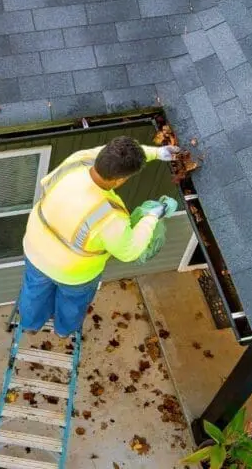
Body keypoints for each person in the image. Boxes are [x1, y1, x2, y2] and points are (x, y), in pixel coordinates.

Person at [17, 136, 180, 337]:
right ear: (120, 180)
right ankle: (63, 330)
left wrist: (156, 152)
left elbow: (112, 154)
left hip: (36, 250)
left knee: (34, 292)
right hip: (74, 274)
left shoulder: (78, 160)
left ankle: (30, 324)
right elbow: (129, 251)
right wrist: (151, 216)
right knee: (72, 303)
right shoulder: (109, 216)